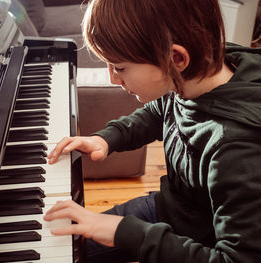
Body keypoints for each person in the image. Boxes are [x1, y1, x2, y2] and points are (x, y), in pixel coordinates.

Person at [43, 0, 261, 262]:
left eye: (120, 67)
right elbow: (161, 110)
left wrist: (128, 233)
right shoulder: (202, 71)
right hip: (175, 209)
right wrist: (107, 138)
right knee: (63, 243)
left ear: (176, 58)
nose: (113, 78)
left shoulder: (237, 150)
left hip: (198, 245)